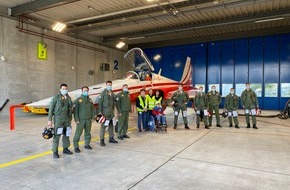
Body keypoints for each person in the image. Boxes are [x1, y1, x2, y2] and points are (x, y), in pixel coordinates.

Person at [48, 84, 73, 159]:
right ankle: (55, 151)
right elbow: (51, 109)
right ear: (60, 89)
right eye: (63, 88)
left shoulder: (68, 97)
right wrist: (49, 120)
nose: (64, 90)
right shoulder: (56, 98)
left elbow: (70, 108)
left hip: (67, 119)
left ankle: (65, 149)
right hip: (58, 119)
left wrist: (70, 119)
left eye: (66, 89)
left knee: (66, 134)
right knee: (57, 135)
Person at [73, 86, 95, 153]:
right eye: (84, 90)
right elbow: (75, 111)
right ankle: (76, 146)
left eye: (87, 90)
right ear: (82, 91)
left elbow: (92, 110)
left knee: (88, 133)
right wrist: (76, 119)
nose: (86, 92)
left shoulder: (90, 100)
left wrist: (92, 117)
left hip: (88, 119)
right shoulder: (78, 100)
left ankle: (87, 144)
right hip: (81, 120)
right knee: (78, 134)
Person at [98, 81, 118, 146]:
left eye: (110, 85)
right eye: (108, 85)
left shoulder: (111, 92)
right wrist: (100, 113)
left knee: (111, 126)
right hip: (105, 112)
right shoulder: (103, 93)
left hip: (111, 112)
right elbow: (100, 103)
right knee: (103, 127)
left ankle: (111, 138)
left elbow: (116, 98)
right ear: (106, 85)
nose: (109, 86)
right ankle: (102, 140)